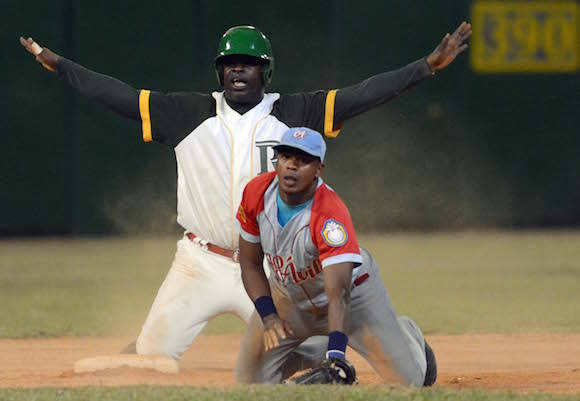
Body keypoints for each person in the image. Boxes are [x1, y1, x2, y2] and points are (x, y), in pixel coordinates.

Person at [19, 22, 471, 361]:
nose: (238, 69)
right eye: (230, 63)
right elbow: (114, 94)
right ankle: (148, 341)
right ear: (219, 71)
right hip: (198, 263)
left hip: (270, 266)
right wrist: (58, 64)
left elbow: (361, 95)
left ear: (265, 71)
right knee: (150, 361)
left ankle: (409, 346)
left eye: (249, 63)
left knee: (309, 363)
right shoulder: (185, 113)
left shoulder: (297, 111)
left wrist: (425, 68)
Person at [235, 127, 436, 386]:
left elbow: (337, 294)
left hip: (353, 299)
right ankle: (316, 350)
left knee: (409, 383)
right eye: (285, 156)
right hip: (288, 295)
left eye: (303, 160)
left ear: (319, 169)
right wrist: (269, 316)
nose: (291, 167)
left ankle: (406, 333)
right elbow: (249, 263)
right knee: (249, 379)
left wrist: (337, 354)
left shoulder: (330, 215)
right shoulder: (257, 193)